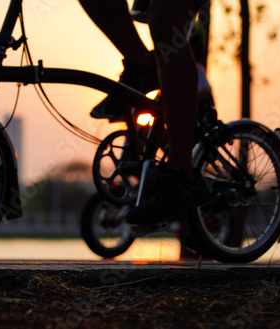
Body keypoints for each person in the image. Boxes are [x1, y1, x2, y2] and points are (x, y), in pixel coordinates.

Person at [78, 0, 209, 227]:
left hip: (196, 116)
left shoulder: (199, 73)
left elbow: (204, 95)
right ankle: (140, 66)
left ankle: (181, 176)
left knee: (164, 19)